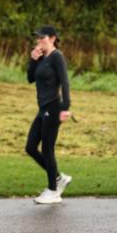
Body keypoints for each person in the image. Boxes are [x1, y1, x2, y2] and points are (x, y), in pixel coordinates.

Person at [26, 25, 72, 205]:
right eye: (37, 38)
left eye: (42, 38)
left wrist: (65, 107)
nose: (38, 41)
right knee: (30, 147)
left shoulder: (56, 57)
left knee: (47, 149)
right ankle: (59, 178)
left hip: (53, 107)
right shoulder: (41, 58)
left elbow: (65, 82)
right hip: (42, 108)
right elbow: (30, 78)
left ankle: (53, 191)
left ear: (52, 38)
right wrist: (33, 60)